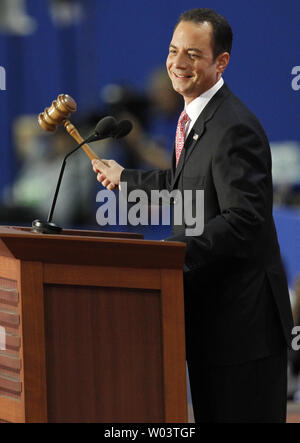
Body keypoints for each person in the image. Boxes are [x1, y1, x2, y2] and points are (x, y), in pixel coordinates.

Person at [91, 8, 294, 423]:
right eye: (172, 50)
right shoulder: (195, 121)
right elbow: (187, 186)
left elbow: (243, 220)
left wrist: (171, 253)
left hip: (244, 328)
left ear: (222, 62)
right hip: (215, 320)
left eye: (193, 55)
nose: (177, 64)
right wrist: (127, 178)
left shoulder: (234, 126)